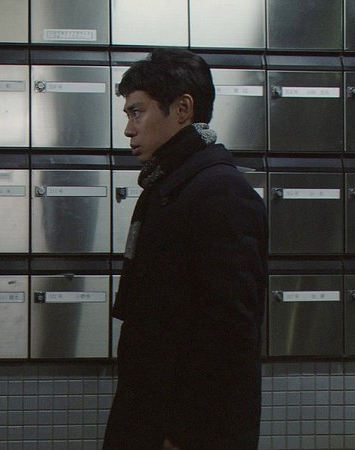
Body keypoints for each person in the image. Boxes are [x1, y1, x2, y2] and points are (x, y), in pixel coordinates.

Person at [103, 48, 268, 450]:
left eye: (137, 112)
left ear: (182, 109)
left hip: (186, 430)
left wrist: (187, 433)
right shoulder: (171, 184)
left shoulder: (220, 192)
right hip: (154, 412)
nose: (128, 130)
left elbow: (230, 332)